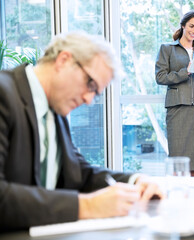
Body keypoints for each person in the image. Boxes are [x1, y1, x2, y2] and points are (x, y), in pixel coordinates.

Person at [0, 32, 163, 231]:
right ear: (63, 60)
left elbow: (79, 173)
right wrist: (86, 205)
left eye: (96, 93)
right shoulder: (4, 94)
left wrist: (136, 182)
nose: (88, 99)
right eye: (90, 85)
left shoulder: (54, 110)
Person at [155, 10, 194, 177]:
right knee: (178, 162)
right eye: (191, 26)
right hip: (178, 108)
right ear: (183, 25)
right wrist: (185, 72)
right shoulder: (167, 49)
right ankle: (176, 199)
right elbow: (160, 77)